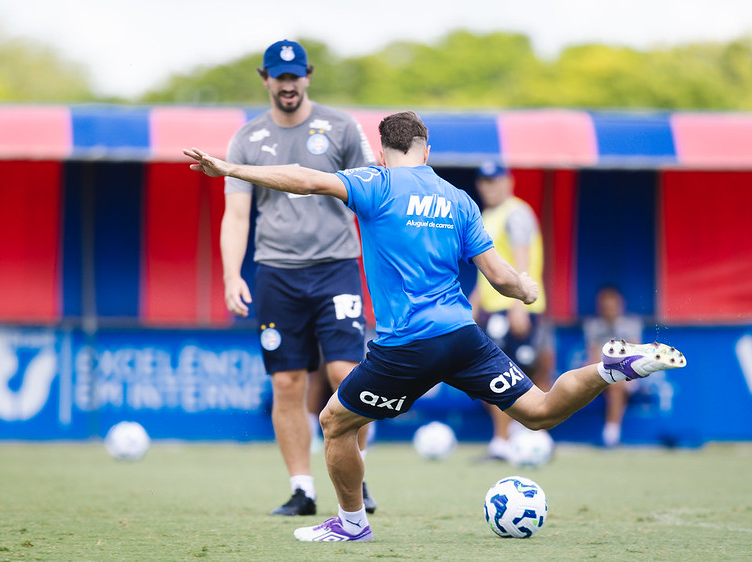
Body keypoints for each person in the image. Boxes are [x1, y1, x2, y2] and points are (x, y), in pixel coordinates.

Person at [184, 110, 687, 543]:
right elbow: (501, 279)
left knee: (336, 423)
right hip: (463, 337)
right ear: (426, 148)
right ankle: (611, 369)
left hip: (405, 346)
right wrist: (528, 289)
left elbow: (305, 178)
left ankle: (352, 523)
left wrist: (230, 168)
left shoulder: (374, 183)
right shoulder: (460, 200)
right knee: (538, 411)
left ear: (382, 151)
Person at [220, 39, 377, 516]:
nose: (287, 85)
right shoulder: (246, 139)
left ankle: (357, 474)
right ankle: (303, 489)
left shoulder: (342, 127)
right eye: (278, 76)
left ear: (307, 76)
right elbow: (237, 215)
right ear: (265, 79)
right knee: (287, 382)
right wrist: (232, 274)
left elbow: (373, 194)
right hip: (276, 274)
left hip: (336, 268)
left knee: (345, 375)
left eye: (295, 76)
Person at [470, 161, 555, 462]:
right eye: (484, 181)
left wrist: (520, 304)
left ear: (509, 182)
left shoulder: (516, 212)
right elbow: (489, 269)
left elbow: (522, 258)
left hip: (515, 309)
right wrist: (474, 304)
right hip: (494, 312)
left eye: (495, 180)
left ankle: (529, 438)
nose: (488, 187)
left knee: (521, 376)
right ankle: (506, 440)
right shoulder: (486, 216)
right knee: (493, 378)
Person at [583, 286, 644, 448]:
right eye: (605, 306)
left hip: (628, 375)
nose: (608, 310)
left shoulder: (632, 323)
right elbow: (593, 355)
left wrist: (618, 372)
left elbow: (634, 354)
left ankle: (611, 436)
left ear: (620, 305)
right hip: (600, 371)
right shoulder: (592, 325)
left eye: (612, 305)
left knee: (617, 384)